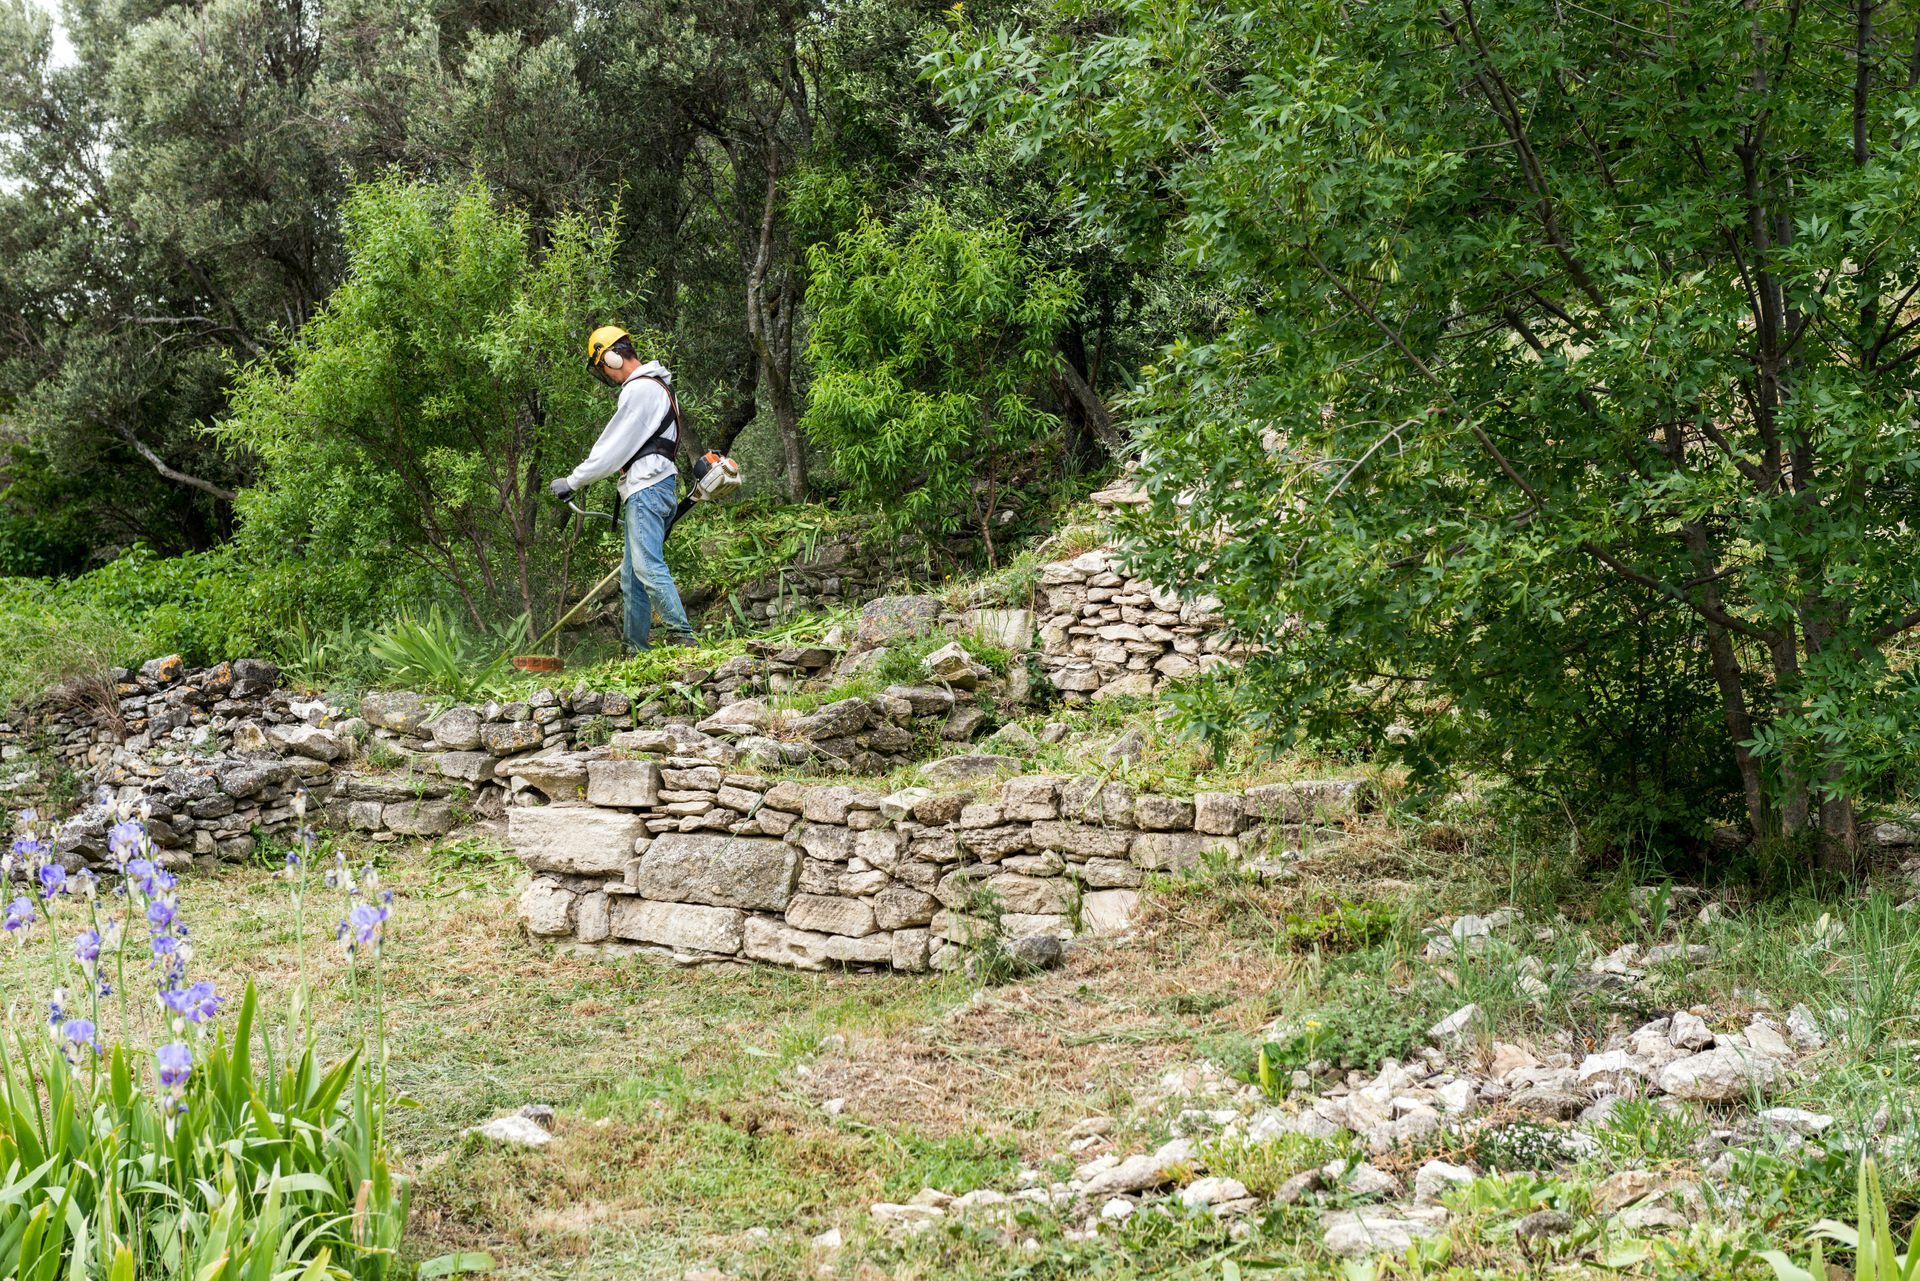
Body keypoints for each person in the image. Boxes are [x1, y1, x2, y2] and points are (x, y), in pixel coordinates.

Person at [548, 325, 696, 651]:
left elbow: (611, 449)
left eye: (603, 367)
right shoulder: (656, 387)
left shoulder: (640, 389)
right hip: (653, 487)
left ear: (613, 358)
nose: (608, 375)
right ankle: (635, 650)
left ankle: (684, 638)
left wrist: (572, 481)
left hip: (647, 488)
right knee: (631, 578)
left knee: (646, 566)